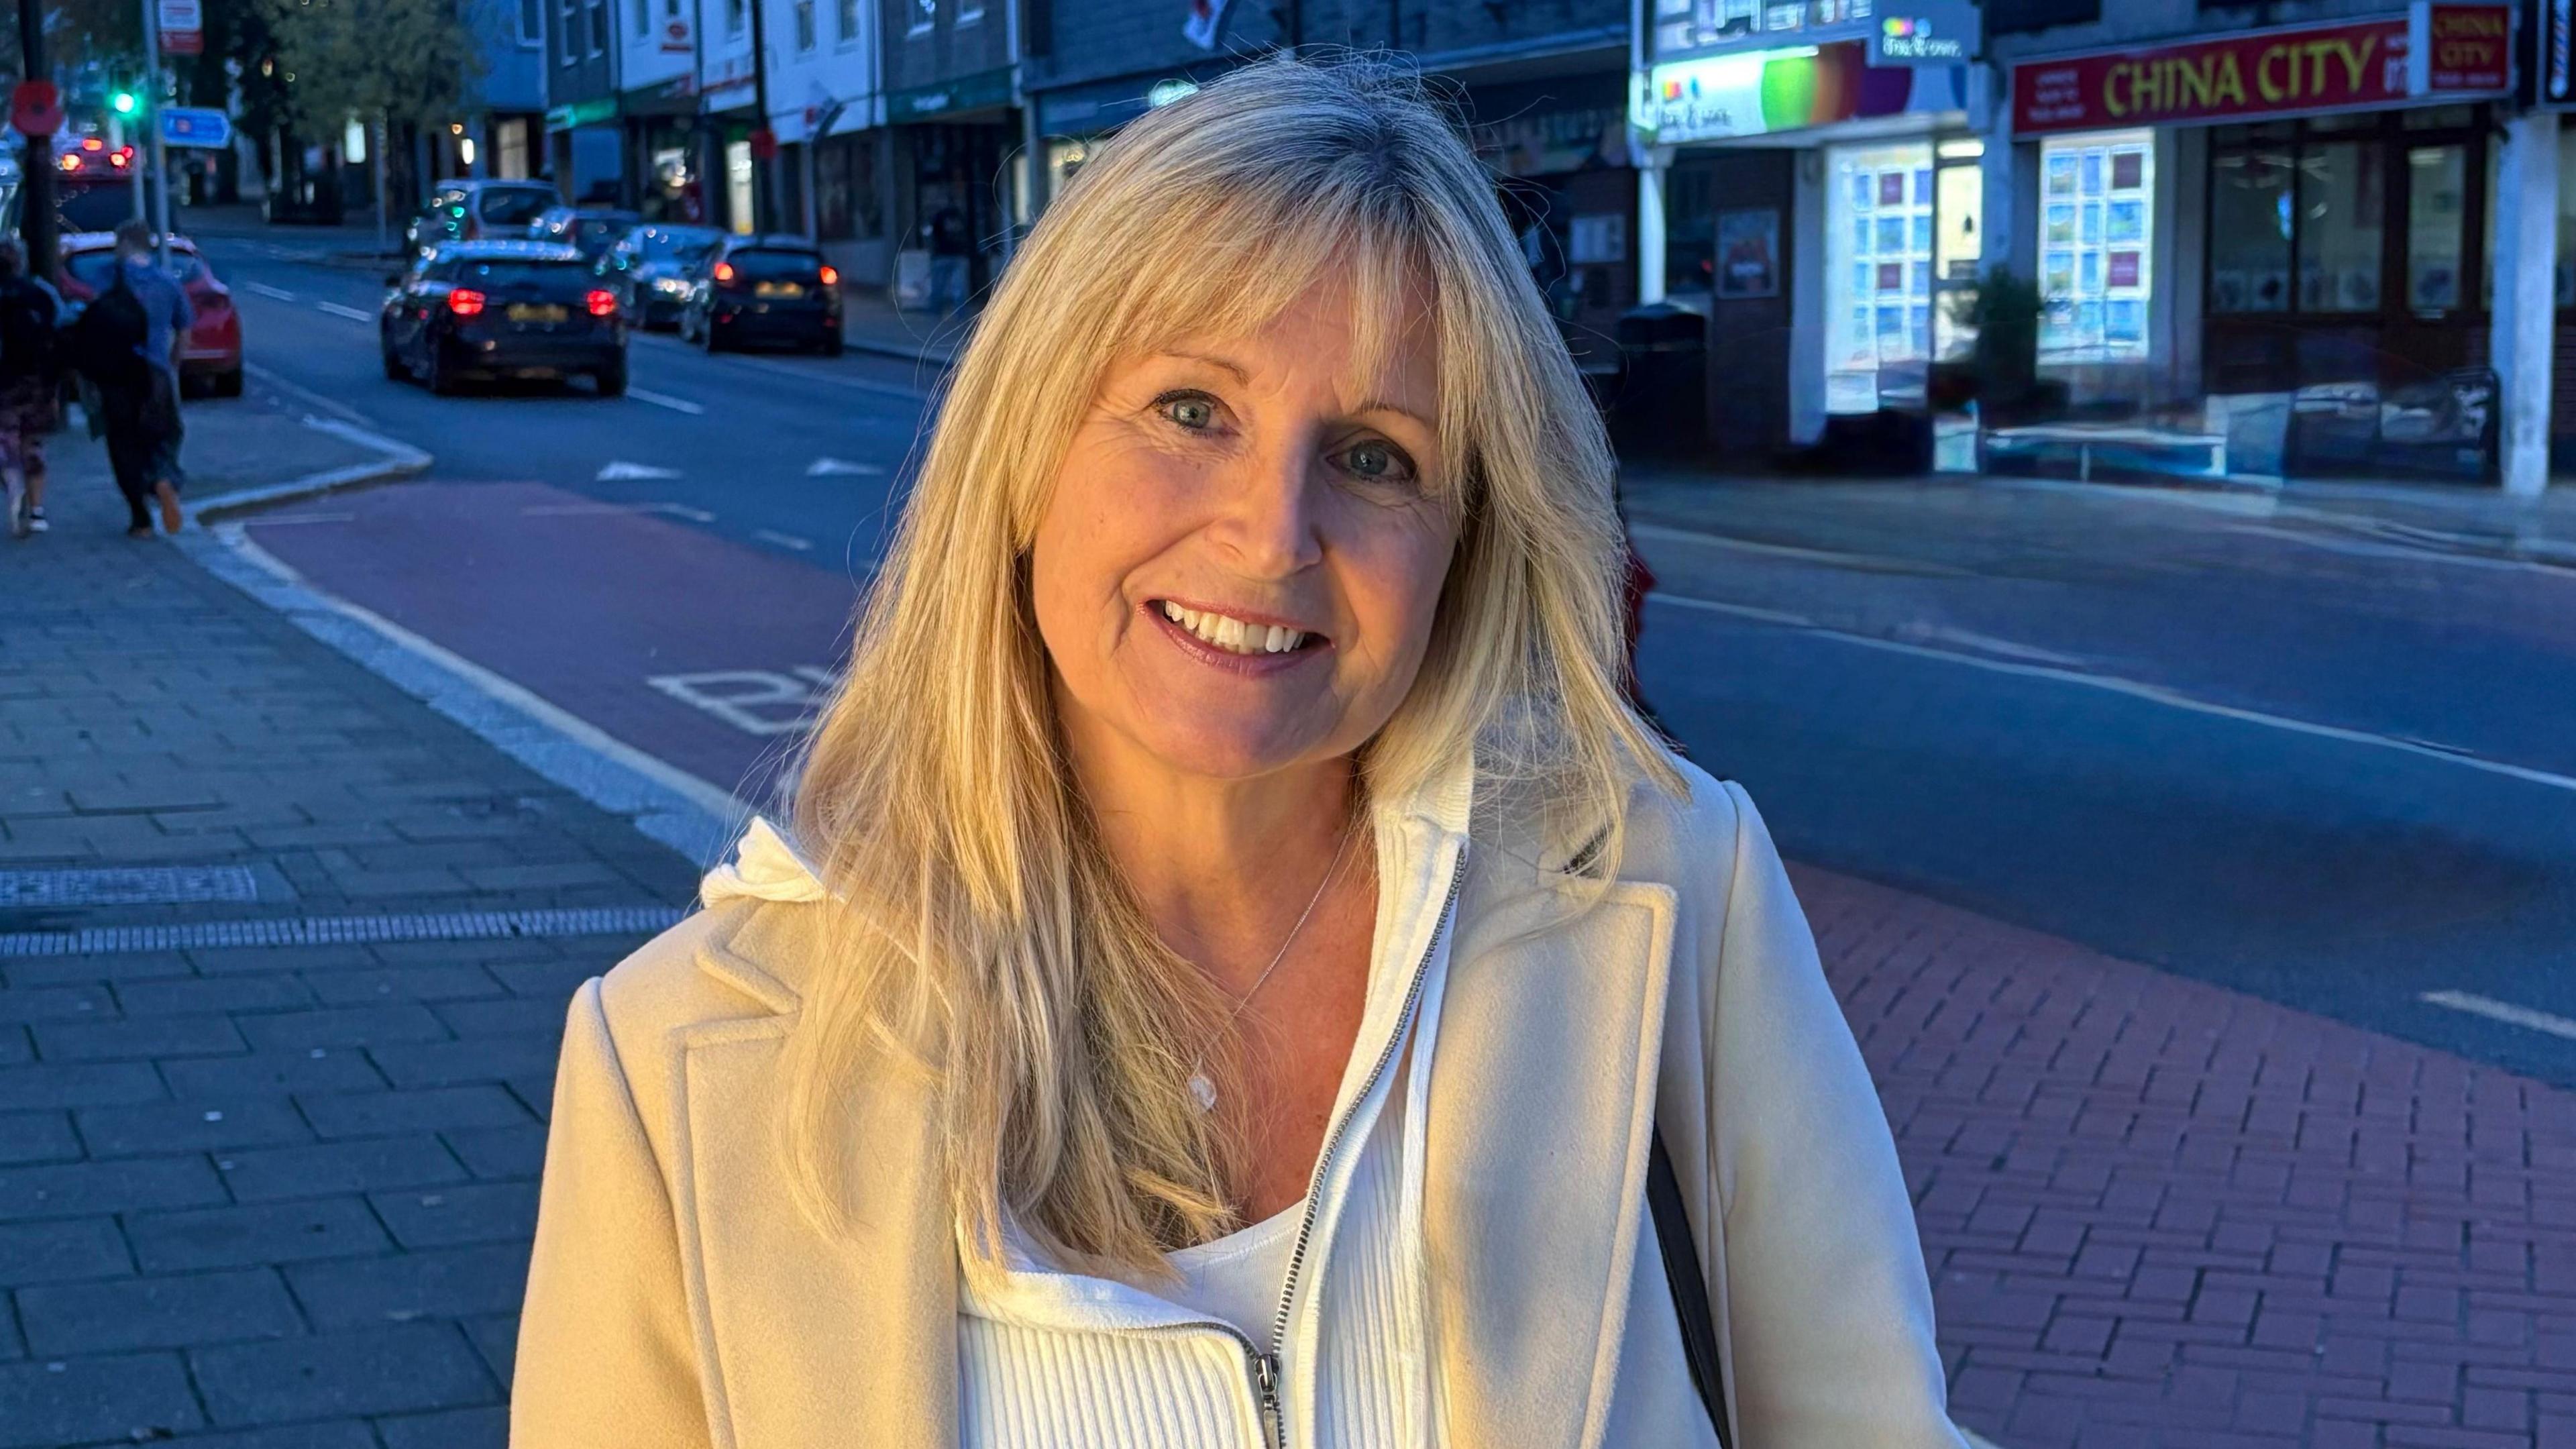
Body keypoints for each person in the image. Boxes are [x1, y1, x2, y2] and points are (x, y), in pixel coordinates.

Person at [513, 53, 1963, 1449]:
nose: (1273, 535)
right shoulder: (678, 1064)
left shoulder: (1673, 894)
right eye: (1191, 410)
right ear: (1023, 451)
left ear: (1467, 542)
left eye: (1376, 456)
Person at [90, 219, 191, 537]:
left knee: (123, 444)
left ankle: (141, 518)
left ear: (124, 244)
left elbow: (92, 319)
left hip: (117, 376)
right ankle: (163, 478)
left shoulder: (108, 278)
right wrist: (171, 364)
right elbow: (184, 330)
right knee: (166, 433)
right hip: (155, 372)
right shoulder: (167, 282)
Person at [0, 241, 61, 538]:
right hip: (37, 382)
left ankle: (13, 485)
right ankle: (37, 511)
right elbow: (57, 335)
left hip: (3, 384)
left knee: (6, 442)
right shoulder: (40, 294)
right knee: (33, 444)